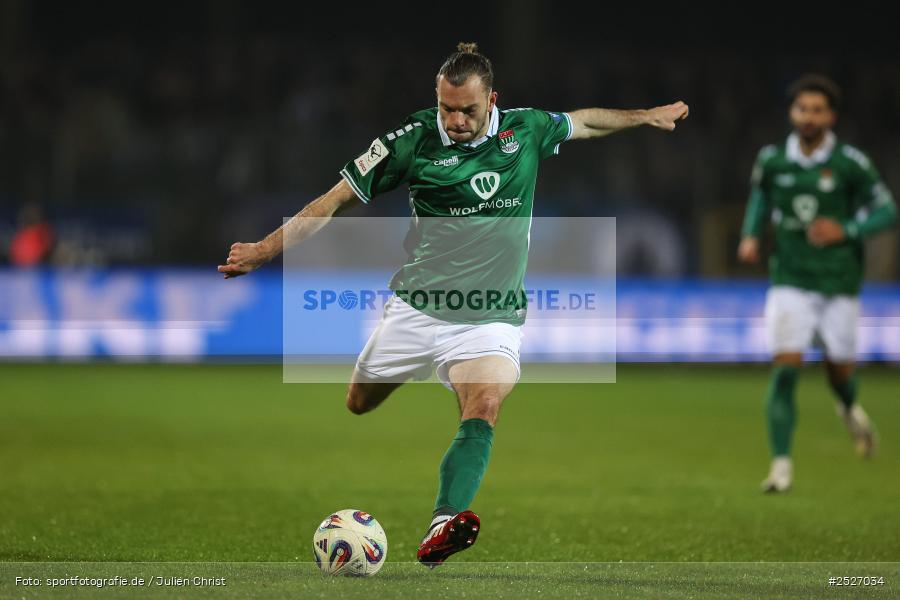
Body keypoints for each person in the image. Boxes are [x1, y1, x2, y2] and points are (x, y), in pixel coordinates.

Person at [219, 42, 688, 565]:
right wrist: (264, 249)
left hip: (491, 314)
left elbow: (586, 123)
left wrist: (644, 116)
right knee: (358, 401)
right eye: (447, 108)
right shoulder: (411, 141)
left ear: (493, 100)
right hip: (416, 308)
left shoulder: (526, 129)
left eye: (468, 109)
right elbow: (332, 201)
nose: (456, 120)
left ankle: (445, 521)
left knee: (483, 406)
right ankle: (414, 374)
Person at [738, 74, 897, 493]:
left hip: (839, 282)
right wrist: (751, 235)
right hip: (790, 277)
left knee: (839, 372)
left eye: (817, 110)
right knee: (786, 369)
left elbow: (887, 211)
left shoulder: (850, 163)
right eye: (802, 109)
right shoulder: (772, 159)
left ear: (831, 116)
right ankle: (781, 465)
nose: (809, 116)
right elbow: (760, 197)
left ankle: (848, 408)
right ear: (792, 113)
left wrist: (846, 228)